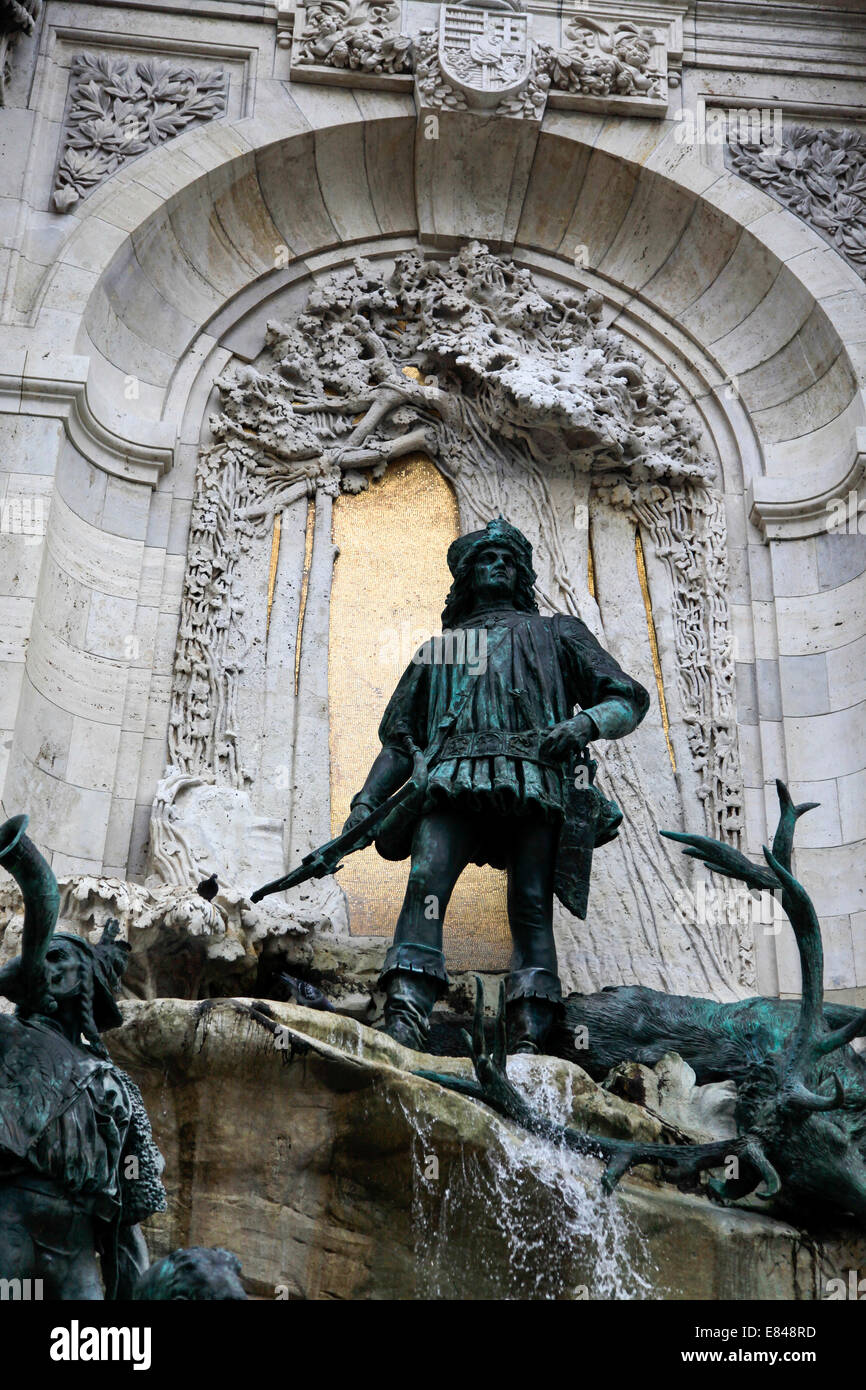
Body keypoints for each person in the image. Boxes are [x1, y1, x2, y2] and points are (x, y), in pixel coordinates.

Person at [342, 517, 650, 1053]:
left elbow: (626, 697)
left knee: (531, 900)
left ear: (522, 573)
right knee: (427, 881)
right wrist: (366, 800)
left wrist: (585, 724)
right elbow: (398, 740)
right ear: (466, 576)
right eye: (487, 558)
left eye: (509, 559)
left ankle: (531, 1023)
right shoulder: (439, 649)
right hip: (451, 780)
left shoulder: (559, 634)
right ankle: (408, 1008)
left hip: (533, 778)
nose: (499, 565)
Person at [0, 816, 166, 1298]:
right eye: (40, 960)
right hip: (8, 1215)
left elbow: (134, 1198)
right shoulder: (7, 1034)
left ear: (85, 979)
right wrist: (11, 977)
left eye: (59, 959)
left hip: (76, 1239)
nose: (47, 968)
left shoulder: (113, 1081)